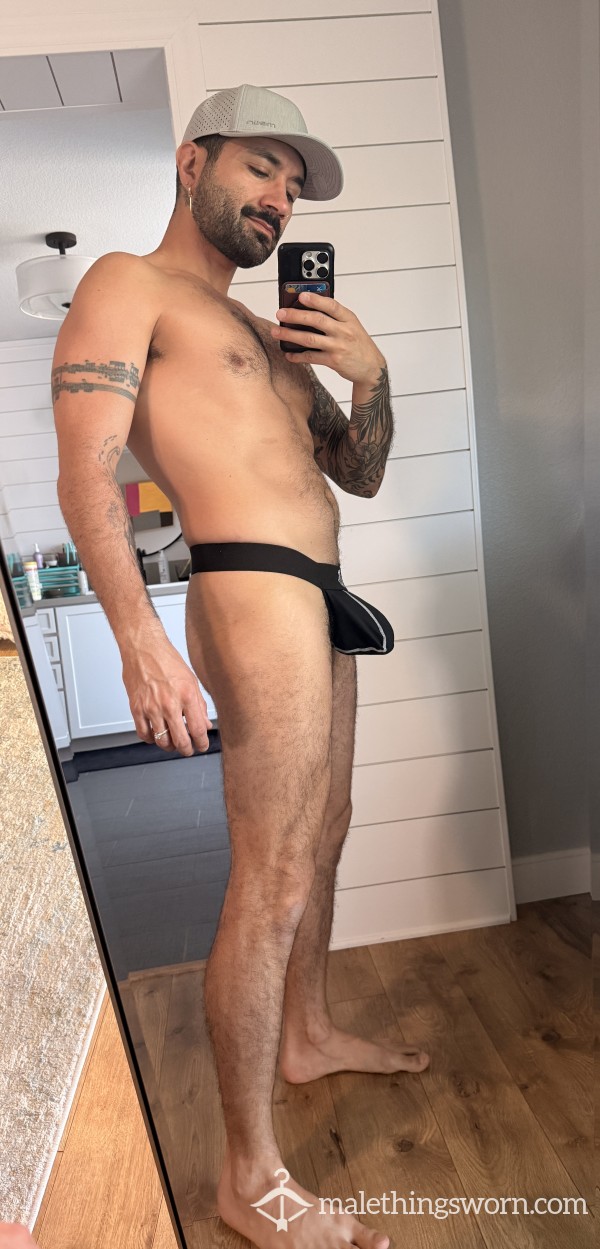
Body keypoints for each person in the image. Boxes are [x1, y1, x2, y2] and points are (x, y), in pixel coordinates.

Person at [52, 83, 430, 1249]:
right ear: (192, 163)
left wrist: (370, 375)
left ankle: (306, 1035)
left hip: (323, 588)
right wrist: (139, 638)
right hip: (250, 584)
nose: (279, 197)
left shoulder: (273, 338)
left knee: (326, 832)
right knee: (270, 876)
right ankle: (248, 1178)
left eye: (293, 185)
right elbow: (87, 468)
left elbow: (357, 472)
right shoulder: (127, 282)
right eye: (261, 166)